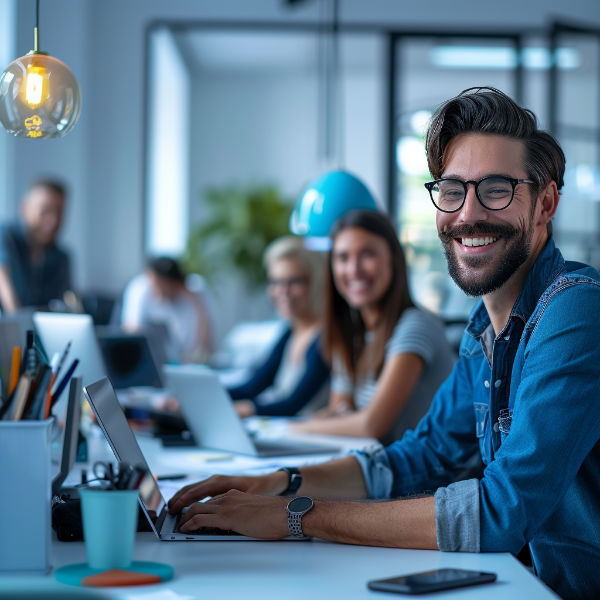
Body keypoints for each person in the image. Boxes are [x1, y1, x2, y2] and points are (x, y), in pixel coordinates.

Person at [167, 87, 600, 600]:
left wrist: (298, 516)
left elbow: (500, 511)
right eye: (453, 189)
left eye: (497, 189)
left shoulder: (576, 309)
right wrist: (281, 482)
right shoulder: (483, 328)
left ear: (545, 202)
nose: (467, 214)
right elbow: (421, 457)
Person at [291, 209, 455, 443]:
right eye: (343, 257)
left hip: (422, 475)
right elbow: (340, 409)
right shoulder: (353, 332)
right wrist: (334, 419)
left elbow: (371, 425)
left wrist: (298, 428)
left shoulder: (417, 325)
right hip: (372, 466)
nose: (353, 269)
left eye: (367, 254)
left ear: (393, 259)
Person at [228, 236, 330, 417]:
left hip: (311, 438)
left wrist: (246, 409)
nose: (283, 291)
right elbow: (254, 386)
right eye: (276, 282)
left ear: (315, 282)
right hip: (287, 433)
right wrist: (200, 394)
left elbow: (292, 405)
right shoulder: (290, 332)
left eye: (294, 282)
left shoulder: (325, 336)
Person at [121, 257, 214, 364]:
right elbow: (131, 331)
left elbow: (207, 346)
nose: (159, 292)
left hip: (185, 362)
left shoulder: (194, 290)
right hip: (151, 360)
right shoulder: (140, 287)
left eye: (163, 286)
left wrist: (197, 302)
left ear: (178, 283)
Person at [0, 178, 71, 312]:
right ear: (24, 208)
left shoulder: (61, 258)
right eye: (45, 211)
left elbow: (65, 304)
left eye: (59, 212)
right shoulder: (5, 237)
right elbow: (1, 276)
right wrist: (19, 324)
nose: (53, 221)